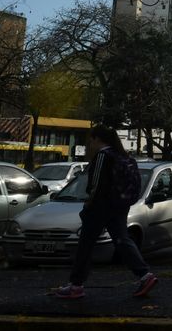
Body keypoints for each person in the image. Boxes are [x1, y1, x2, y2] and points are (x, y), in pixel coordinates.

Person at [55, 125, 157, 299]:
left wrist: (89, 203)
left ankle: (76, 284)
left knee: (86, 245)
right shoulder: (123, 156)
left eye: (91, 140)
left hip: (101, 206)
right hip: (119, 205)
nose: (90, 144)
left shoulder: (103, 156)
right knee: (122, 239)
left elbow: (95, 184)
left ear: (97, 139)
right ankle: (144, 275)